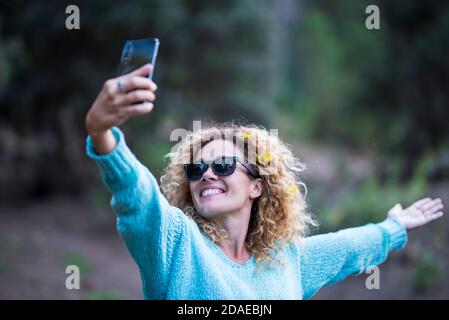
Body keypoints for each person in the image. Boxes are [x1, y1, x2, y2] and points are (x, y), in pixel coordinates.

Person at [85, 64, 445, 299]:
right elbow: (138, 196)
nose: (206, 174)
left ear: (257, 185)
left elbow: (348, 248)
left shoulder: (287, 260)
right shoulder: (176, 243)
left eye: (224, 165)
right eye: (195, 169)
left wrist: (395, 227)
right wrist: (102, 133)